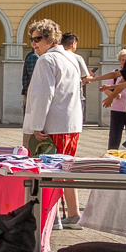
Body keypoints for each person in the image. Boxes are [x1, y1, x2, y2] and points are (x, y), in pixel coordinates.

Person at [21, 19, 89, 225]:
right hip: (71, 124)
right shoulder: (71, 57)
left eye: (37, 39)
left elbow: (43, 95)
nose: (33, 44)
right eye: (31, 40)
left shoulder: (46, 60)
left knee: (48, 171)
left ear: (50, 38)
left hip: (53, 124)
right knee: (66, 169)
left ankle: (53, 217)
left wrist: (37, 126)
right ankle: (73, 213)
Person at [97, 49, 126, 150]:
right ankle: (112, 152)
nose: (124, 61)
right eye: (122, 59)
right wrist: (113, 95)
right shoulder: (115, 73)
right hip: (117, 107)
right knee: (115, 133)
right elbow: (107, 89)